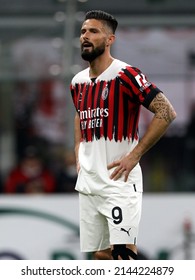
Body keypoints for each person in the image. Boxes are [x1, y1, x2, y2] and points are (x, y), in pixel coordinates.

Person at [70, 10, 177, 260]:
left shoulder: (126, 74)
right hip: (89, 182)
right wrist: (78, 154)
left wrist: (135, 155)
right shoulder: (77, 82)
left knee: (123, 255)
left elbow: (166, 111)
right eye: (83, 31)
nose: (85, 36)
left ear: (110, 40)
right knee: (101, 255)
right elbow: (79, 115)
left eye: (94, 31)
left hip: (119, 181)